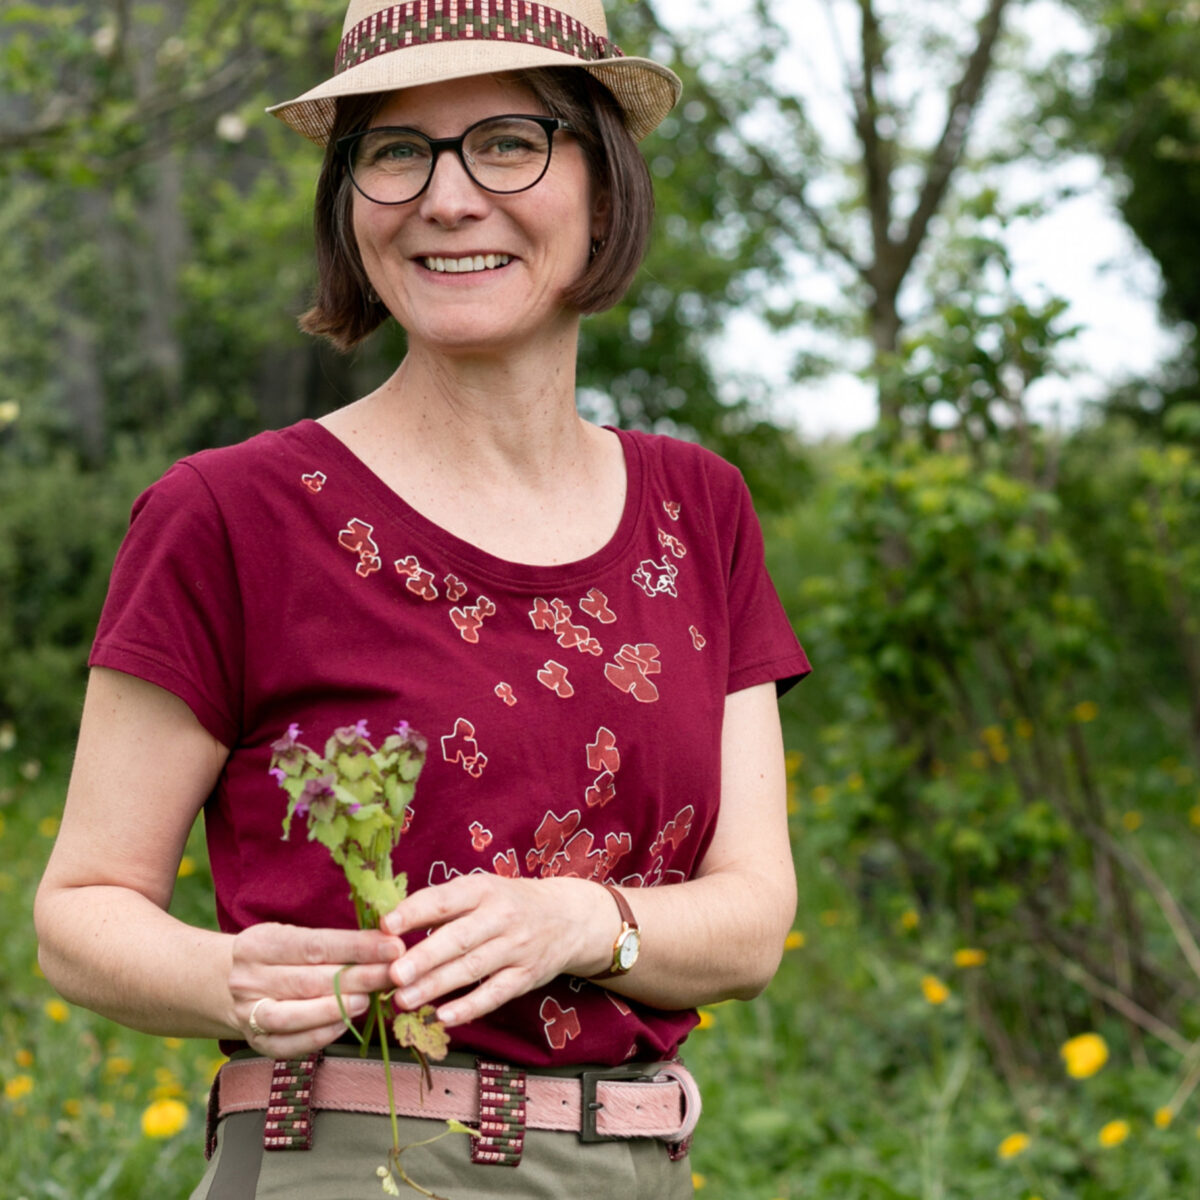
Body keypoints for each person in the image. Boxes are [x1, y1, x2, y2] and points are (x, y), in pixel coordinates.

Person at [34, 2, 811, 1197]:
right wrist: (230, 979)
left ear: (606, 188)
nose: (448, 198)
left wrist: (581, 920)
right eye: (397, 151)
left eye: (507, 142)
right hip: (344, 1163)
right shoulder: (230, 517)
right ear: (349, 203)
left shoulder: (696, 509)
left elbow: (752, 920)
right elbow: (81, 913)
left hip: (638, 1168)